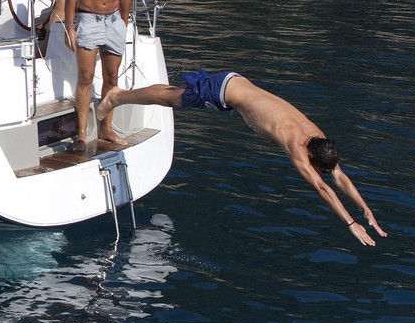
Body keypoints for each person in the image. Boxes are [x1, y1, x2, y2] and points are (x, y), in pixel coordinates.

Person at [97, 71, 388, 246]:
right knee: (171, 98)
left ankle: (119, 95)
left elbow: (338, 176)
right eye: (315, 165)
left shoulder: (316, 136)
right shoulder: (295, 143)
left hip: (237, 84)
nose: (316, 169)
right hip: (225, 92)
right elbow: (322, 188)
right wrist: (350, 223)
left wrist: (366, 210)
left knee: (173, 97)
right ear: (310, 154)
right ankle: (117, 97)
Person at [61, 0, 139, 151]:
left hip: (114, 21)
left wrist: (123, 24)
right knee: (85, 78)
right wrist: (70, 26)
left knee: (112, 79)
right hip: (88, 19)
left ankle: (106, 129)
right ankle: (82, 135)